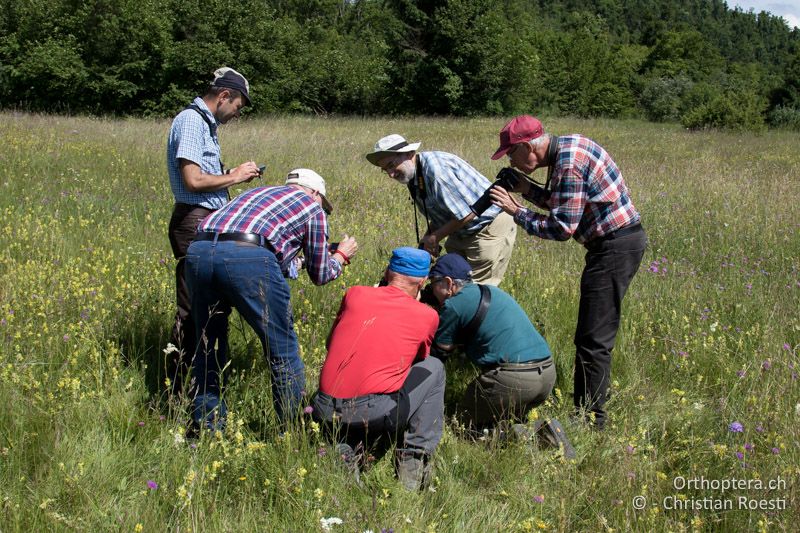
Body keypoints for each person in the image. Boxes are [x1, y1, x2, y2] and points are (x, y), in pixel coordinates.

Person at [489, 115, 647, 430]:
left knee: (593, 338)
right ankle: (591, 409)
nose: (511, 160)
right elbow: (567, 203)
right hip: (617, 242)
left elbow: (562, 228)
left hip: (613, 247)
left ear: (527, 146)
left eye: (511, 153)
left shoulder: (568, 164)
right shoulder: (569, 149)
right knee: (593, 335)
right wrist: (527, 190)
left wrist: (515, 209)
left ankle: (591, 420)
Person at [185, 168, 358, 432]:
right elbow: (321, 275)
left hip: (198, 251)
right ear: (315, 193)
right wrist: (341, 256)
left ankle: (207, 428)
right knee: (282, 350)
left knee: (208, 343)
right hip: (248, 256)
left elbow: (269, 252)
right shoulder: (312, 208)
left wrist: (298, 261)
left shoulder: (255, 194)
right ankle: (292, 430)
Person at [311, 247, 445, 491]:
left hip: (322, 405)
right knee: (434, 367)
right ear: (423, 281)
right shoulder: (427, 315)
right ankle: (412, 463)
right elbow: (417, 361)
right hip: (372, 413)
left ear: (387, 272)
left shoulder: (355, 294)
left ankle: (344, 446)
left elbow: (330, 343)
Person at [166, 67, 262, 395]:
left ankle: (203, 383)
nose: (236, 114)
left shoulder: (206, 125)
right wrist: (233, 177)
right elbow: (193, 181)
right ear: (223, 96)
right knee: (194, 308)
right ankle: (176, 392)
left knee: (211, 306)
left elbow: (202, 174)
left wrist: (226, 173)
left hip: (204, 221)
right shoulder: (192, 121)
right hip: (193, 222)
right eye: (237, 106)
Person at [429, 253, 574, 458]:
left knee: (461, 426)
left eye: (433, 283)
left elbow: (438, 354)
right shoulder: (492, 292)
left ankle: (525, 436)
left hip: (515, 378)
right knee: (501, 416)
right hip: (547, 375)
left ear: (448, 282)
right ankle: (544, 430)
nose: (431, 290)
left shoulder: (454, 305)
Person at [366, 134, 517, 286]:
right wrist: (427, 240)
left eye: (391, 165)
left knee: (475, 292)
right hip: (462, 230)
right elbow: (444, 212)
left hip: (487, 227)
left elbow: (466, 212)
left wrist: (434, 238)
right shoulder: (413, 174)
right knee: (450, 287)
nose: (391, 174)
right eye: (385, 169)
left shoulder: (436, 170)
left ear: (410, 154)